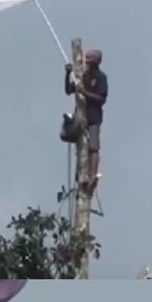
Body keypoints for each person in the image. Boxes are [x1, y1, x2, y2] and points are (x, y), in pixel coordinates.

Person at [65, 49, 108, 196]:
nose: (86, 60)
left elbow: (101, 99)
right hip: (80, 116)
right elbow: (68, 90)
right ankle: (82, 174)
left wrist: (84, 92)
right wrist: (67, 74)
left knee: (93, 147)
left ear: (96, 61)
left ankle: (92, 176)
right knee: (81, 145)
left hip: (94, 117)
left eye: (90, 58)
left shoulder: (101, 77)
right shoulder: (82, 75)